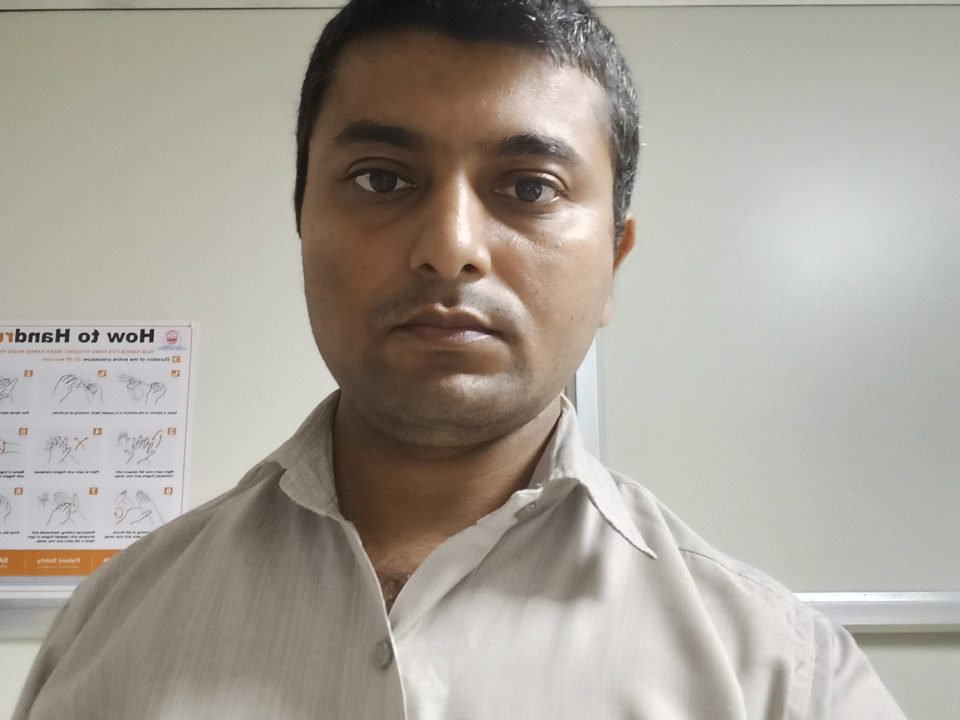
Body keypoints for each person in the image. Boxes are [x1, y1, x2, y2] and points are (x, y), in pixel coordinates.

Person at [15, 1, 907, 718]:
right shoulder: (109, 628)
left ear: (614, 263)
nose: (449, 248)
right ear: (303, 229)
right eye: (381, 178)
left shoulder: (782, 679)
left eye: (529, 188)